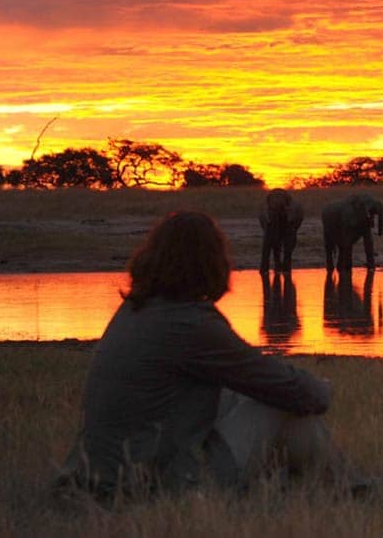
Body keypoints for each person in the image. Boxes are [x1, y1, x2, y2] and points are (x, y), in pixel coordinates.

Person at [56, 211, 355, 504]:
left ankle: (327, 488)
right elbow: (286, 387)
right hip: (151, 487)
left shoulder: (136, 309)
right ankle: (351, 488)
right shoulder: (189, 322)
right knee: (282, 408)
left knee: (242, 396)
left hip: (96, 478)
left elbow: (247, 378)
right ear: (211, 262)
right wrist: (322, 387)